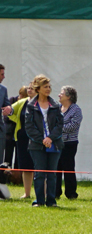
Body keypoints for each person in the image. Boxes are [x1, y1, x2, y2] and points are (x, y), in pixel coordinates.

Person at [22, 75, 64, 207]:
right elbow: (29, 127)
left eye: (49, 87)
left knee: (52, 174)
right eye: (45, 87)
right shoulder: (30, 105)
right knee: (39, 173)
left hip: (54, 143)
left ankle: (51, 201)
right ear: (38, 88)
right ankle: (39, 201)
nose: (48, 89)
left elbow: (59, 125)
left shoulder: (55, 105)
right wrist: (42, 140)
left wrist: (50, 138)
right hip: (37, 145)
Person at [55, 85, 83, 200]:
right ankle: (55, 193)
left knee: (68, 167)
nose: (59, 95)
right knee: (56, 168)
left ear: (69, 96)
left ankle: (71, 193)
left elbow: (73, 126)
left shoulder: (76, 109)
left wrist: (57, 128)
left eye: (61, 93)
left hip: (69, 144)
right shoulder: (57, 108)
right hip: (56, 143)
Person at [8, 86, 35, 199]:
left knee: (39, 167)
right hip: (22, 138)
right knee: (26, 167)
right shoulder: (23, 102)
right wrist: (17, 119)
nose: (29, 90)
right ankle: (27, 193)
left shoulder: (43, 102)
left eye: (32, 88)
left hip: (37, 139)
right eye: (28, 88)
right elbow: (10, 112)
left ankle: (42, 193)